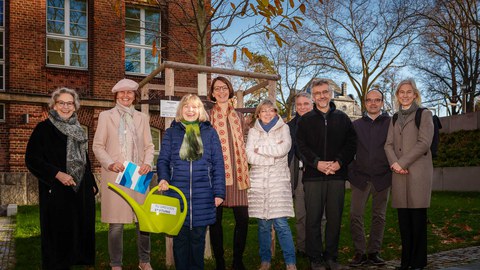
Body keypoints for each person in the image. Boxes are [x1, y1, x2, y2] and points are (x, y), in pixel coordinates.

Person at [25, 87, 98, 269]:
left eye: (69, 103)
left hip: (79, 188)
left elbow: (84, 159)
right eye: (61, 103)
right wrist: (57, 174)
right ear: (54, 105)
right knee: (58, 237)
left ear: (75, 106)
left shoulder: (78, 129)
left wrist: (91, 182)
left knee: (78, 233)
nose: (66, 106)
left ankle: (74, 261)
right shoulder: (44, 128)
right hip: (56, 190)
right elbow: (32, 159)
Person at [157, 94, 226, 270]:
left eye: (194, 107)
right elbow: (163, 160)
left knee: (197, 240)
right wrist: (163, 178)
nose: (190, 110)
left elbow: (218, 164)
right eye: (186, 106)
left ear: (200, 110)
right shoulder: (171, 133)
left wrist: (219, 192)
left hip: (203, 195)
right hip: (177, 194)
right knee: (180, 241)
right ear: (181, 110)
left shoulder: (210, 133)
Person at [92, 79, 155, 270]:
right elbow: (98, 146)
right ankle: (116, 264)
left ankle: (144, 261)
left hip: (137, 174)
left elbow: (149, 146)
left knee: (142, 222)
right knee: (116, 224)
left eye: (129, 93)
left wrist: (147, 163)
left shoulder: (142, 118)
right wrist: (110, 163)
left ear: (134, 96)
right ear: (116, 96)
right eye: (122, 93)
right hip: (116, 175)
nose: (126, 96)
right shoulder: (105, 116)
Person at [296, 79, 356, 270]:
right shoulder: (305, 120)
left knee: (334, 219)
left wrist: (339, 163)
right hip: (313, 176)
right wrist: (317, 163)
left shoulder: (343, 118)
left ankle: (331, 257)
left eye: (325, 92)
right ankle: (315, 258)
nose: (321, 96)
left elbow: (351, 144)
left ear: (330, 93)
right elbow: (300, 146)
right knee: (313, 219)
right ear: (313, 96)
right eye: (317, 93)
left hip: (337, 176)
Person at [384, 79, 434, 270]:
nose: (405, 95)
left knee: (418, 220)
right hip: (399, 173)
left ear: (415, 94)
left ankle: (419, 262)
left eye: (409, 92)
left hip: (417, 173)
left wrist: (402, 163)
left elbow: (424, 143)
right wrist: (395, 165)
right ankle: (406, 262)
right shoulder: (394, 117)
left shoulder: (425, 114)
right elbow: (387, 144)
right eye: (401, 92)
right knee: (403, 222)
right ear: (397, 95)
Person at [246, 99, 297, 270]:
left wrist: (260, 150)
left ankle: (291, 263)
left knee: (281, 224)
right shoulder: (253, 132)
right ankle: (265, 260)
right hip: (258, 183)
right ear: (258, 114)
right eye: (263, 111)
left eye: (271, 110)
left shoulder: (284, 128)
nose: (267, 114)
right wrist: (272, 156)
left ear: (276, 112)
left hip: (278, 183)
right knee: (263, 225)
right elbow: (249, 157)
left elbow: (284, 149)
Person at [208, 76, 250, 270]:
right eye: (217, 88)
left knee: (243, 220)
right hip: (217, 175)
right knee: (215, 221)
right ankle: (220, 263)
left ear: (230, 90)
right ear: (212, 93)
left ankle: (237, 261)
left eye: (224, 88)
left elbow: (247, 142)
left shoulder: (240, 117)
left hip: (239, 175)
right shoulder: (207, 117)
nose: (221, 91)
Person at [348, 89, 391, 267]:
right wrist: (352, 172)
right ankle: (360, 252)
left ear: (382, 102)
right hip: (360, 178)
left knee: (379, 216)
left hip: (383, 177)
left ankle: (374, 252)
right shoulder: (356, 125)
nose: (373, 103)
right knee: (355, 214)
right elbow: (348, 150)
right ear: (364, 103)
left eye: (377, 100)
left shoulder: (391, 123)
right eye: (369, 100)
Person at [287, 92, 313, 257]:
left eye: (306, 104)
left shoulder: (320, 122)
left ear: (312, 104)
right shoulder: (289, 126)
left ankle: (317, 247)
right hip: (299, 173)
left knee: (320, 215)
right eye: (299, 104)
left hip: (318, 173)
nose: (302, 107)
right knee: (301, 214)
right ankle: (302, 247)